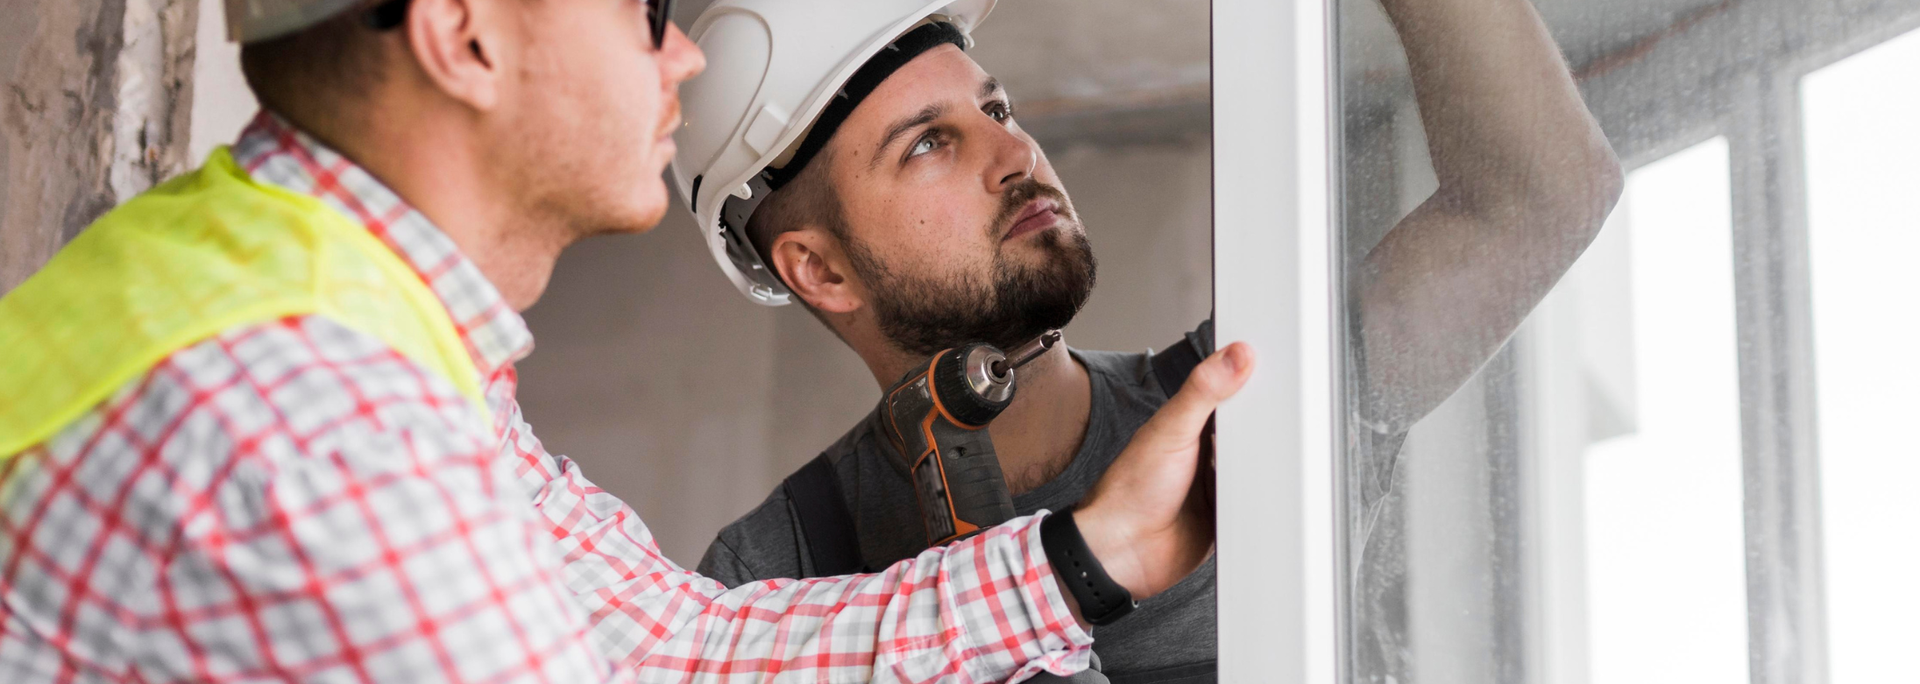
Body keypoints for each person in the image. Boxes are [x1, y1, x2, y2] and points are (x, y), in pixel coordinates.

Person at [0, 0, 1254, 682]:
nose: (681, 53)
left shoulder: (338, 306)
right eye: (637, 9)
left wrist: (1086, 561)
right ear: (465, 35)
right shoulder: (325, 424)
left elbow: (678, 652)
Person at [680, 0, 1623, 681]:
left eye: (996, 111)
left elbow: (1541, 195)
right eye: (928, 143)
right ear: (821, 270)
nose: (1016, 155)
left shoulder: (1250, 395)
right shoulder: (770, 576)